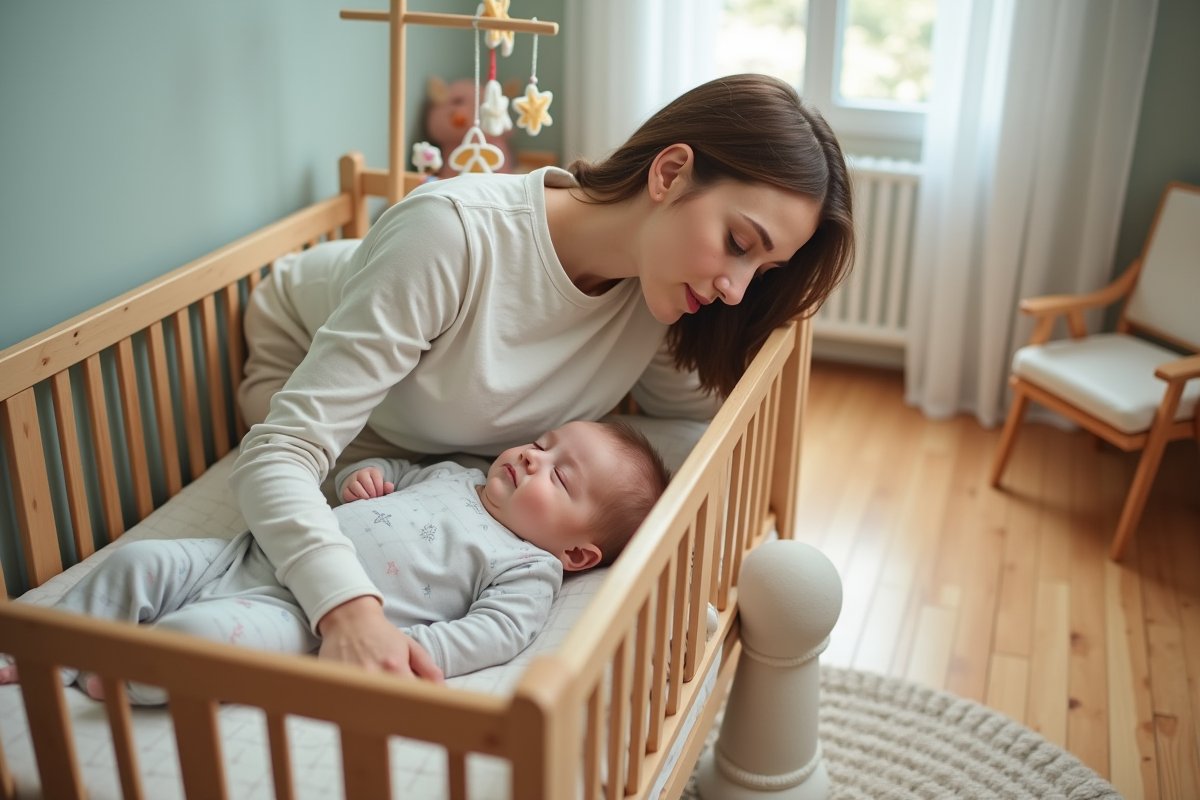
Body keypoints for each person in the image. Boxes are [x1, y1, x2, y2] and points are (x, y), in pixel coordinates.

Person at [230, 73, 855, 679]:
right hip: (303, 347)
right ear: (669, 174)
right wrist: (349, 612)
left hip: (436, 423)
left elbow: (695, 427)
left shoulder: (663, 284)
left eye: (764, 271)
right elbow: (280, 451)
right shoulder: (451, 236)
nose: (737, 290)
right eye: (740, 243)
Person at [0, 420, 671, 704]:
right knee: (136, 562)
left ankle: (122, 684)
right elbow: (385, 468)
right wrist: (367, 477)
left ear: (579, 552)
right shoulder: (453, 475)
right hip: (254, 553)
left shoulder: (529, 567)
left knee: (197, 643)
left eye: (558, 477)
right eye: (544, 444)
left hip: (300, 618)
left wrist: (408, 646)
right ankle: (46, 653)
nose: (533, 458)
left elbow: (494, 634)